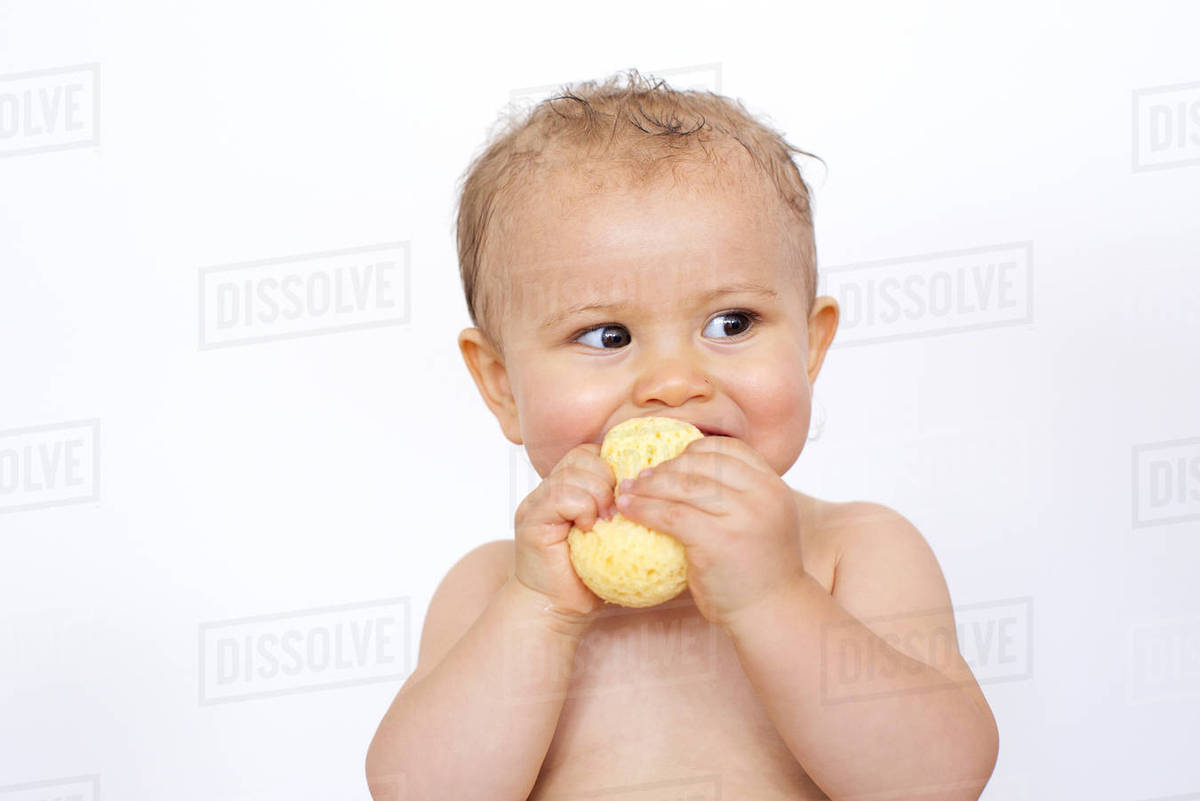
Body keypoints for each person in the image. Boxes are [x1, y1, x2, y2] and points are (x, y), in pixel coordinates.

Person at [366, 69, 999, 801]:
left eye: (731, 323)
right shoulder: (492, 588)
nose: (673, 381)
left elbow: (939, 780)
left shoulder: (853, 552)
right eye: (607, 335)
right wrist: (541, 609)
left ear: (810, 346)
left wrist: (774, 597)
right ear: (502, 384)